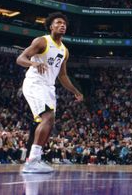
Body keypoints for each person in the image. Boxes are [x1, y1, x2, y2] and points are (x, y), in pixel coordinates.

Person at [17, 12, 84, 174]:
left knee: (49, 122)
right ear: (50, 26)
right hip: (35, 83)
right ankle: (32, 160)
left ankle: (34, 158)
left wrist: (76, 91)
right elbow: (20, 58)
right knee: (48, 117)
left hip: (49, 87)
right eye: (58, 23)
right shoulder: (42, 41)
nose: (62, 25)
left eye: (64, 24)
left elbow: (62, 75)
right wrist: (33, 63)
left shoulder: (64, 51)